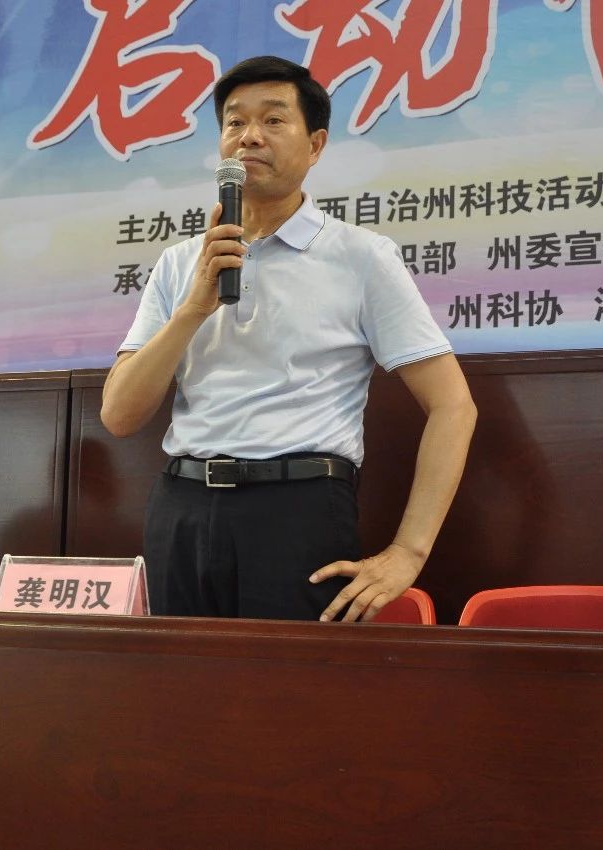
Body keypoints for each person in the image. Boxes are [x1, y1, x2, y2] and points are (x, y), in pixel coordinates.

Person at [101, 56, 477, 622]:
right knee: (179, 677)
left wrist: (409, 552)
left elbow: (453, 406)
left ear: (316, 144)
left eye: (273, 120)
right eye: (234, 122)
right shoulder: (180, 263)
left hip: (296, 511)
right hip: (181, 507)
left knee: (286, 681)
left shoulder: (361, 257)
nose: (249, 136)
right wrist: (193, 309)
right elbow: (119, 415)